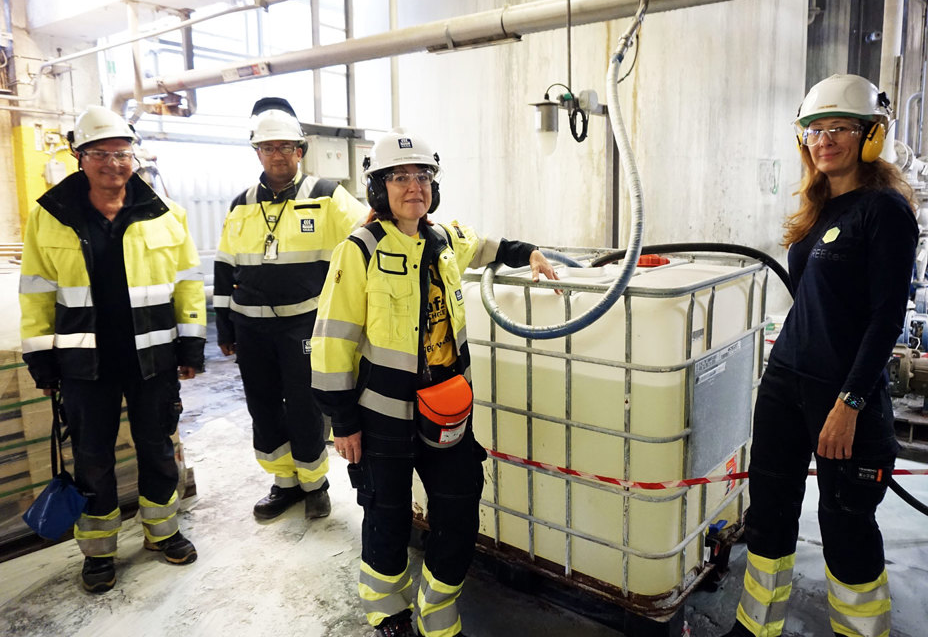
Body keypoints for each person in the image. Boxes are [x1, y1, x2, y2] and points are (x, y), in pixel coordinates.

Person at [311, 128, 559, 637]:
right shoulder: (358, 251)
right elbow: (333, 341)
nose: (413, 187)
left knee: (461, 508)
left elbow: (490, 246)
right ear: (379, 188)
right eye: (399, 178)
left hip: (447, 407)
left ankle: (437, 615)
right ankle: (388, 613)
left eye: (422, 177)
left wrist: (528, 251)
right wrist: (343, 422)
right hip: (381, 416)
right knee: (388, 518)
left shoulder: (445, 239)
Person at [724, 74, 918, 637]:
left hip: (842, 396)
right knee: (769, 516)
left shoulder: (883, 211)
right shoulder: (820, 207)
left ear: (870, 137)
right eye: (814, 128)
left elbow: (887, 318)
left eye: (840, 128)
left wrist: (851, 401)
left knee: (847, 527)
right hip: (786, 384)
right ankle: (755, 627)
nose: (824, 139)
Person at [19, 105, 206, 593]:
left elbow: (187, 283)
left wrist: (191, 343)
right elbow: (36, 289)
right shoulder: (50, 215)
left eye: (121, 152)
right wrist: (40, 356)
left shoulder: (165, 213)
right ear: (78, 156)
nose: (113, 163)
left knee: (157, 447)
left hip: (153, 356)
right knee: (92, 456)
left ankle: (162, 533)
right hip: (84, 362)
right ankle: (98, 552)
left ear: (133, 156)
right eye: (99, 153)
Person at [214, 97, 368, 521]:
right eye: (269, 147)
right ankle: (284, 482)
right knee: (261, 405)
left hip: (305, 323)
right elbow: (225, 265)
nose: (278, 155)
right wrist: (224, 326)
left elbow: (368, 228)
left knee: (305, 406)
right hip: (251, 328)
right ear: (257, 152)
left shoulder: (326, 195)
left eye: (286, 147)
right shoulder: (241, 204)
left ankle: (314, 482)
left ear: (300, 151)